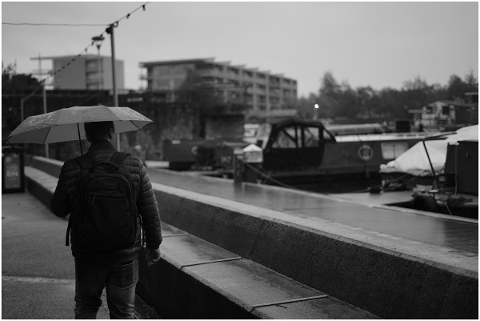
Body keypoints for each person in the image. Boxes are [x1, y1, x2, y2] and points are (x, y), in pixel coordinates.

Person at [51, 121, 162, 319]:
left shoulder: (72, 167)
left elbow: (58, 209)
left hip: (88, 255)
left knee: (86, 307)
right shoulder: (133, 164)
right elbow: (149, 209)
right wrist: (153, 246)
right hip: (125, 255)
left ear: (87, 136)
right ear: (111, 132)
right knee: (123, 311)